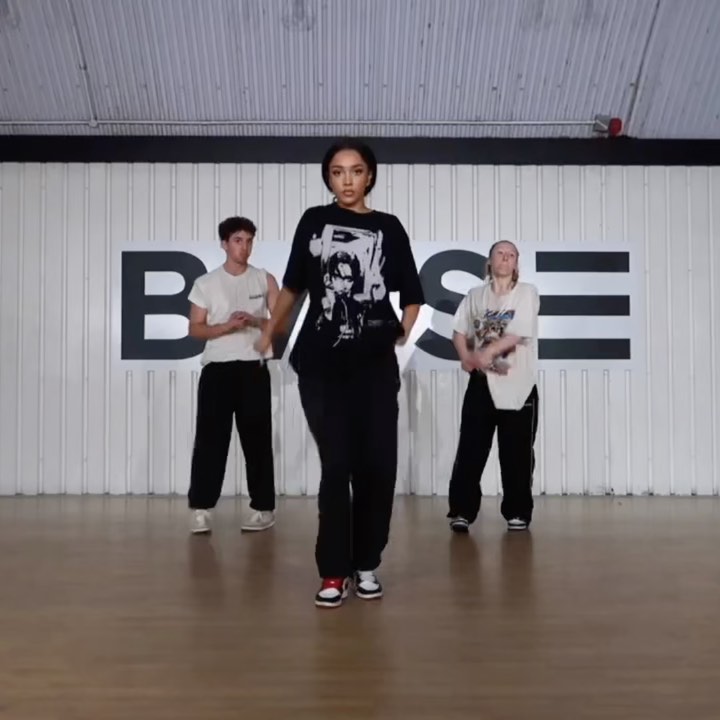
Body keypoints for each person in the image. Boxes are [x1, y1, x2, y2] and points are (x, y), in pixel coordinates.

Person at [255, 138, 425, 608]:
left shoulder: (389, 227)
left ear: (370, 176)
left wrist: (401, 331)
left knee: (377, 467)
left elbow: (413, 293)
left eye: (356, 170)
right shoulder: (314, 220)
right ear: (328, 178)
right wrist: (271, 330)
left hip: (374, 368)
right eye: (337, 171)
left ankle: (366, 562)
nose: (346, 180)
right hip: (322, 367)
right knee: (337, 467)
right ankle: (333, 571)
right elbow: (293, 286)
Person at [186, 216, 279, 535]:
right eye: (238, 240)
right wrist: (227, 326)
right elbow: (195, 329)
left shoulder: (264, 279)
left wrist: (253, 321)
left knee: (257, 441)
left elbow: (280, 323)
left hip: (253, 368)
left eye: (249, 241)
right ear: (224, 244)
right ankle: (201, 509)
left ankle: (263, 508)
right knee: (210, 440)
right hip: (217, 369)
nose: (245, 247)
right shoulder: (206, 283)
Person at [447, 240, 540, 533]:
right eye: (500, 253)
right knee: (470, 450)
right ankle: (462, 510)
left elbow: (517, 334)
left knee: (516, 454)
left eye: (511, 255)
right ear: (490, 261)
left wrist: (485, 353)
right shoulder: (475, 295)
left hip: (518, 387)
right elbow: (459, 331)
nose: (506, 258)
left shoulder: (526, 293)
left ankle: (517, 512)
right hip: (482, 385)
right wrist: (466, 358)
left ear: (516, 263)